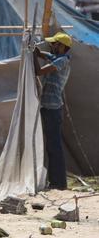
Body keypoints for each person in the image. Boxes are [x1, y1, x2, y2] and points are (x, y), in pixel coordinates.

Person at [34, 32, 72, 190]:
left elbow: (39, 71)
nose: (52, 46)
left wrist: (32, 57)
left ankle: (59, 183)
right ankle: (56, 181)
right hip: (48, 108)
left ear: (62, 46)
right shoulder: (57, 57)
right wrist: (36, 51)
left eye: (54, 44)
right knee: (51, 146)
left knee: (54, 146)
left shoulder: (62, 61)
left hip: (53, 108)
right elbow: (44, 54)